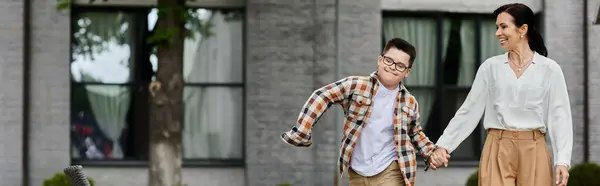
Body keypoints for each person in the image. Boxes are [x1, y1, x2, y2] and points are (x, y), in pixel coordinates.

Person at [427, 3, 572, 186]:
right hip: (497, 148)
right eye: (497, 27)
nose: (498, 33)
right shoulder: (490, 67)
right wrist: (443, 146)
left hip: (535, 149)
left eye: (503, 27)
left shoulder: (550, 69)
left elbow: (560, 117)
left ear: (523, 29)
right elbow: (469, 111)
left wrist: (563, 160)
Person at [281, 38, 442, 186]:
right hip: (357, 171)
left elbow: (415, 133)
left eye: (400, 65)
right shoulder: (356, 85)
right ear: (380, 60)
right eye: (389, 60)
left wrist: (431, 152)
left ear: (407, 72)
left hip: (391, 169)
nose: (392, 67)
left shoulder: (410, 102)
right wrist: (302, 130)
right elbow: (323, 96)